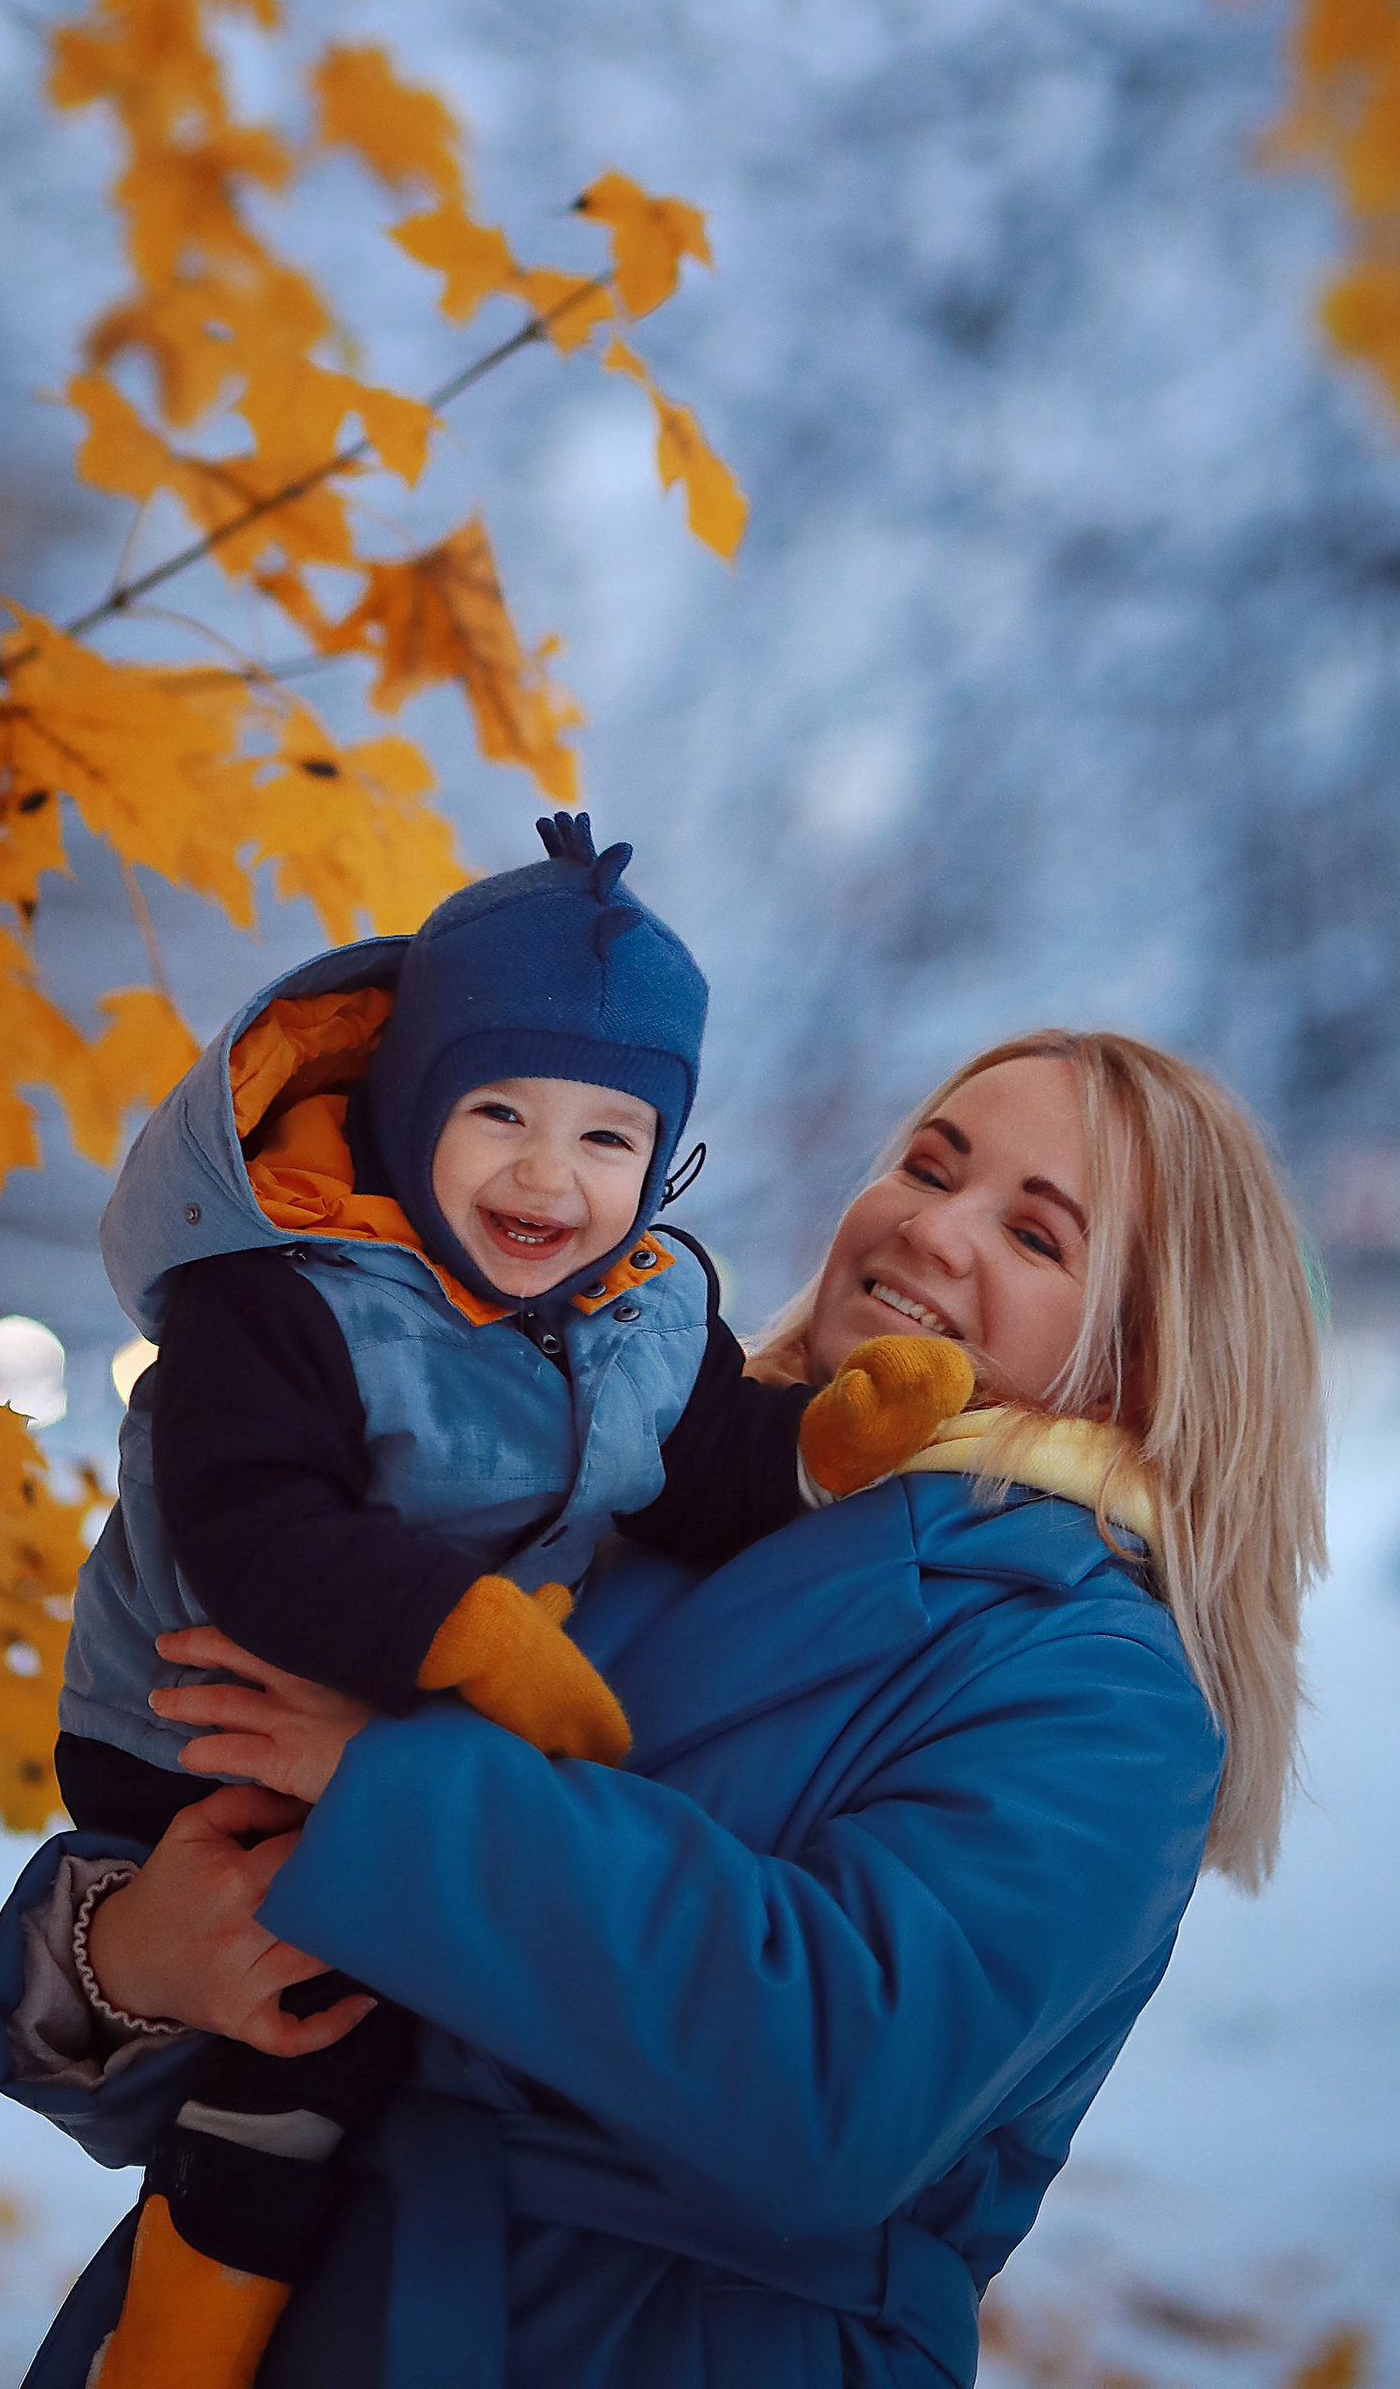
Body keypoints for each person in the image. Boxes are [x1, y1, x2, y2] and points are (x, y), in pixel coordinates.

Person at [0, 1024, 1327, 2389]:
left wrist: (396, 1789)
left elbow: (836, 2094)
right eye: (929, 1166)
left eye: (1036, 1238)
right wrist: (129, 1964)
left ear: (1149, 1366)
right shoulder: (612, 1472)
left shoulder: (1099, 1683)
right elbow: (243, 1935)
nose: (933, 1230)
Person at [50, 812, 977, 2389]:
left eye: (611, 1137)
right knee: (318, 2040)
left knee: (383, 2002)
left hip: (409, 1714)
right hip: (206, 1709)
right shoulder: (281, 1293)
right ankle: (174, 2357)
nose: (552, 1176)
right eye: (500, 1114)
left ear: (663, 1157)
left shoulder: (635, 1308)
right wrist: (469, 1642)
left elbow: (694, 1463)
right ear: (413, 1105)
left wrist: (819, 1449)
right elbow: (253, 1534)